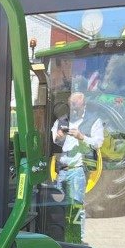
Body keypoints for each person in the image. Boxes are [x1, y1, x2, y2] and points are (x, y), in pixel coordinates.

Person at [51, 92, 104, 239]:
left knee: (76, 207)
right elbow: (54, 140)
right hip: (61, 170)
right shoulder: (62, 121)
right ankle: (60, 237)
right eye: (71, 105)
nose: (73, 108)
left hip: (78, 170)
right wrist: (58, 137)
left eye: (76, 105)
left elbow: (98, 143)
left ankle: (76, 239)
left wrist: (82, 137)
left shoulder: (94, 120)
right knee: (57, 206)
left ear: (83, 104)